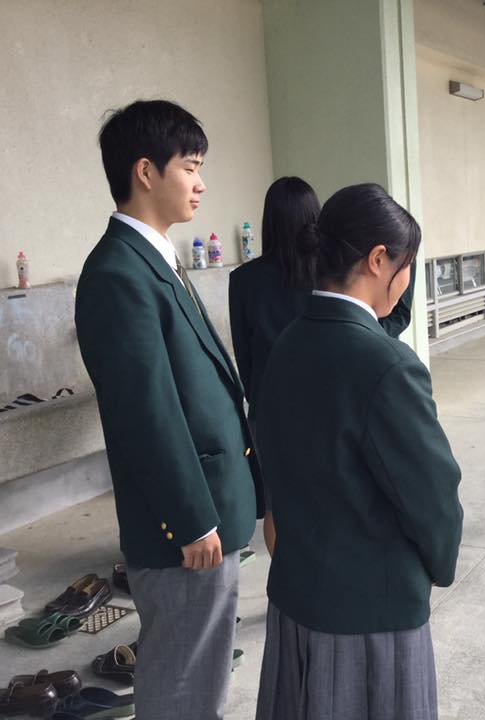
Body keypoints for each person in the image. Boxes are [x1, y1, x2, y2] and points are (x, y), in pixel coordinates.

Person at [75, 100, 262, 719]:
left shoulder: (156, 259)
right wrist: (190, 520)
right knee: (183, 680)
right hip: (186, 528)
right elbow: (144, 413)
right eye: (191, 167)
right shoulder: (118, 273)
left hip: (209, 511)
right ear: (146, 171)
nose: (201, 183)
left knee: (201, 673)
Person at [254, 183, 462, 720]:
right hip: (371, 614)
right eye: (406, 266)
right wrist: (437, 567)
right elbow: (433, 498)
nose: (407, 280)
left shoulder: (288, 344)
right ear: (378, 260)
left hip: (297, 597)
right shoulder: (386, 364)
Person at [228, 177, 417, 555]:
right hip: (332, 398)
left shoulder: (244, 279)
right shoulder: (329, 274)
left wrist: (260, 398)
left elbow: (244, 357)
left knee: (277, 505)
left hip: (270, 405)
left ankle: (285, 575)